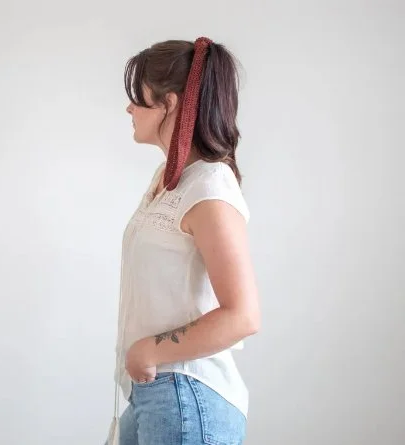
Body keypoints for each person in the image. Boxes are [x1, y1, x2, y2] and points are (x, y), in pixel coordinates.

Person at [106, 37, 260, 445]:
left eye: (137, 97)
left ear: (169, 103)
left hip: (185, 397)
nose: (129, 108)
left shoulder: (210, 186)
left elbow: (243, 315)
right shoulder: (168, 181)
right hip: (154, 395)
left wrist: (150, 350)